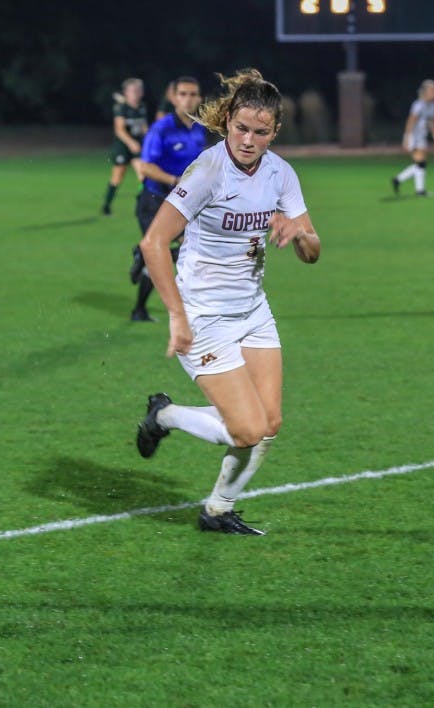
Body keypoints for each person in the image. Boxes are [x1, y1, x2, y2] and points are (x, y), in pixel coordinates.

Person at [135, 68, 321, 535]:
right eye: (241, 128)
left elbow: (313, 251)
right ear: (228, 123)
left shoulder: (281, 173)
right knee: (247, 430)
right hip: (203, 316)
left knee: (269, 423)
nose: (248, 140)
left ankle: (217, 509)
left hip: (253, 312)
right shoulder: (208, 170)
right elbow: (154, 243)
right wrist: (177, 316)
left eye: (260, 132)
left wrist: (299, 232)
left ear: (274, 132)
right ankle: (165, 415)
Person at [128, 77, 208, 322]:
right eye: (183, 93)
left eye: (193, 94)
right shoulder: (161, 128)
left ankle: (143, 255)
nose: (188, 98)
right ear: (173, 97)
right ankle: (140, 308)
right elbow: (145, 166)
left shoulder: (199, 128)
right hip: (154, 200)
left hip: (181, 203)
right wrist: (175, 180)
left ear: (199, 98)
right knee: (164, 254)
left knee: (185, 251)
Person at [101, 78, 148, 216]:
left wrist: (149, 138)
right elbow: (119, 130)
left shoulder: (141, 107)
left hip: (137, 147)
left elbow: (144, 127)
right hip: (122, 147)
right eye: (133, 90)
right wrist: (131, 142)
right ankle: (106, 206)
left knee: (144, 176)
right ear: (126, 93)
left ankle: (142, 206)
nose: (136, 93)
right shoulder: (121, 108)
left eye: (139, 90)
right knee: (117, 178)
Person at [391, 79, 434, 197]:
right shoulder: (418, 105)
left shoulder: (433, 106)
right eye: (433, 90)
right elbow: (410, 121)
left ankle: (398, 180)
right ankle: (419, 190)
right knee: (420, 163)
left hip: (422, 137)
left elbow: (432, 123)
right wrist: (406, 139)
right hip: (414, 137)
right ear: (425, 92)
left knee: (421, 164)